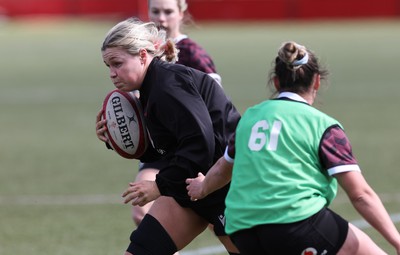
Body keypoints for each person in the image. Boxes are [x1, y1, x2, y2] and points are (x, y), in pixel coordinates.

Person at [186, 41, 400, 255]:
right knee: (358, 248)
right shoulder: (323, 126)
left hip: (242, 232)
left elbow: (224, 167)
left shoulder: (251, 118)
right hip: (295, 223)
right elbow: (361, 195)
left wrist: (202, 187)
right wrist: (397, 242)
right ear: (316, 81)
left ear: (276, 82)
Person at [95, 18, 241, 255]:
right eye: (108, 66)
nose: (112, 73)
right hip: (191, 185)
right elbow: (168, 148)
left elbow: (200, 143)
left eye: (117, 63)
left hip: (229, 187)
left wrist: (159, 186)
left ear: (143, 56)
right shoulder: (149, 90)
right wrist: (115, 139)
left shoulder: (167, 86)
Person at [131, 0, 222, 228]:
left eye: (168, 11)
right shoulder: (140, 54)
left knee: (218, 224)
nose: (161, 18)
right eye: (155, 11)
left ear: (182, 13)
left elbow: (215, 109)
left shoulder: (194, 55)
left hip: (197, 148)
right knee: (142, 210)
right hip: (161, 150)